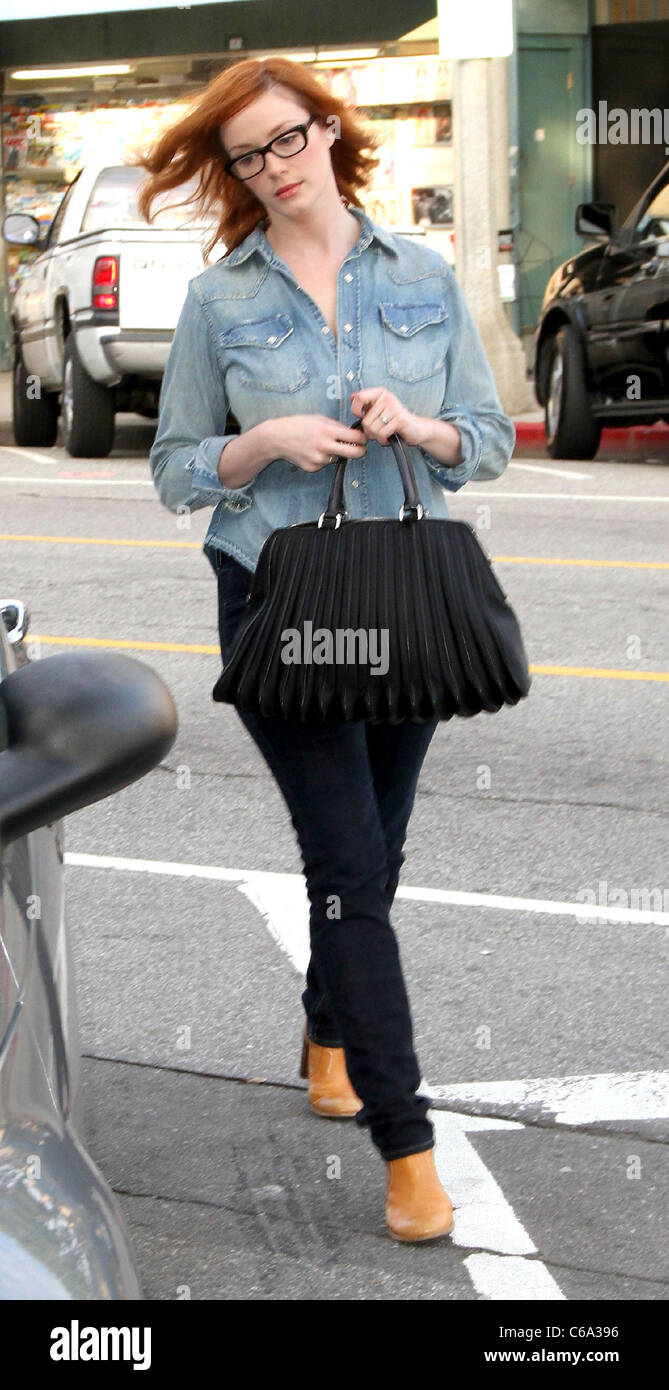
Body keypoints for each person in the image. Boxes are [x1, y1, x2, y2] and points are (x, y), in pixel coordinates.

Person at [139, 56, 515, 1243]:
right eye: (248, 155)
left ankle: (328, 1025)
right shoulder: (222, 301)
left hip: (407, 599)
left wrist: (420, 426)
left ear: (327, 131)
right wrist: (263, 445)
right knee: (350, 865)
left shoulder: (421, 272)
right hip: (280, 601)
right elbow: (172, 468)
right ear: (232, 172)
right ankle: (408, 1147)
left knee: (375, 859)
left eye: (287, 139)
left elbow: (492, 439)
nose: (273, 167)